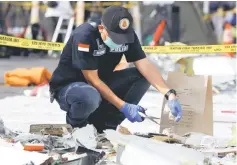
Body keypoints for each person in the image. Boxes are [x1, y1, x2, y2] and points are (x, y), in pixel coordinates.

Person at [49, 6, 182, 133]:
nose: (120, 42)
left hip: (102, 82)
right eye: (116, 38)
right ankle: (77, 127)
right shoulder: (85, 36)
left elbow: (144, 65)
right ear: (102, 28)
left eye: (123, 38)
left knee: (141, 77)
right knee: (89, 95)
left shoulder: (127, 35)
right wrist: (124, 106)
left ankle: (105, 126)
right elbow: (92, 80)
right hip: (71, 88)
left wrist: (169, 94)